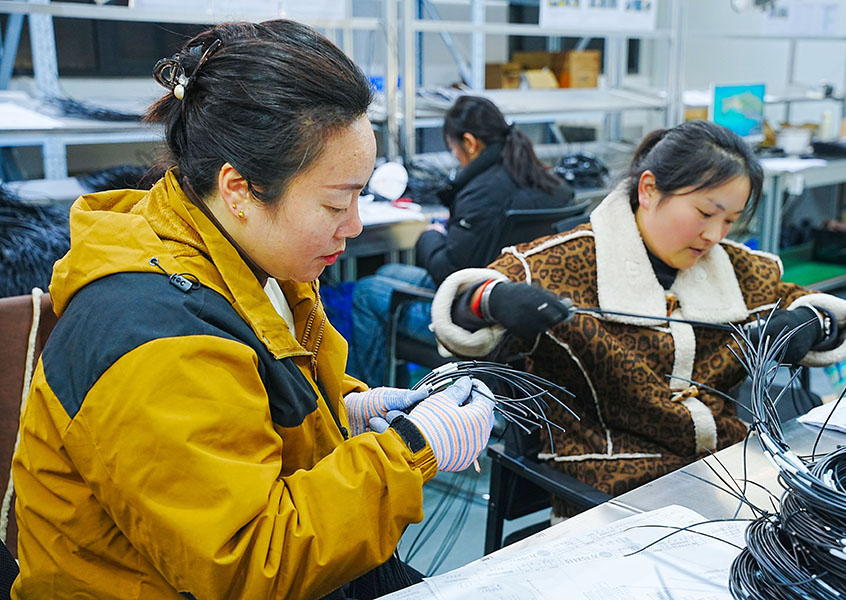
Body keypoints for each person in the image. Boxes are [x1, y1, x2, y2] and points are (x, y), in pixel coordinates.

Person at [11, 21, 495, 600]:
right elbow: (249, 563)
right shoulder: (155, 337)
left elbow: (245, 410)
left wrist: (345, 412)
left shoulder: (251, 260)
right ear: (238, 189)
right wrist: (409, 450)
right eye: (335, 203)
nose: (354, 226)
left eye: (360, 196)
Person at [428, 120, 846, 519]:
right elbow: (462, 310)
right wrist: (493, 299)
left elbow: (829, 314)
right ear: (649, 190)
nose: (714, 236)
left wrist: (813, 323)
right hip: (610, 493)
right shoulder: (562, 262)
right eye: (705, 213)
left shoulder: (737, 270)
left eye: (730, 221)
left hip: (727, 471)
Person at [347, 95, 574, 386]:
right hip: (524, 305)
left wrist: (430, 235)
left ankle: (371, 398)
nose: (455, 156)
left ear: (469, 143)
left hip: (475, 318)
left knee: (366, 293)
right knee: (387, 272)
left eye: (453, 148)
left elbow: (448, 271)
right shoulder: (548, 181)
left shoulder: (481, 193)